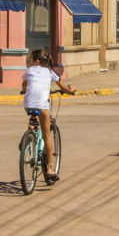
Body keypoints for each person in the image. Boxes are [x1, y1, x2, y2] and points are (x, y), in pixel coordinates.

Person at [21, 49, 75, 182]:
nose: (29, 61)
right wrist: (70, 90)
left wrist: (23, 91)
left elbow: (24, 86)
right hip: (42, 105)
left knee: (34, 114)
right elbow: (63, 86)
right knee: (47, 136)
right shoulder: (50, 72)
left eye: (31, 59)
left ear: (37, 61)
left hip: (28, 103)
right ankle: (50, 169)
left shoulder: (29, 71)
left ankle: (30, 134)